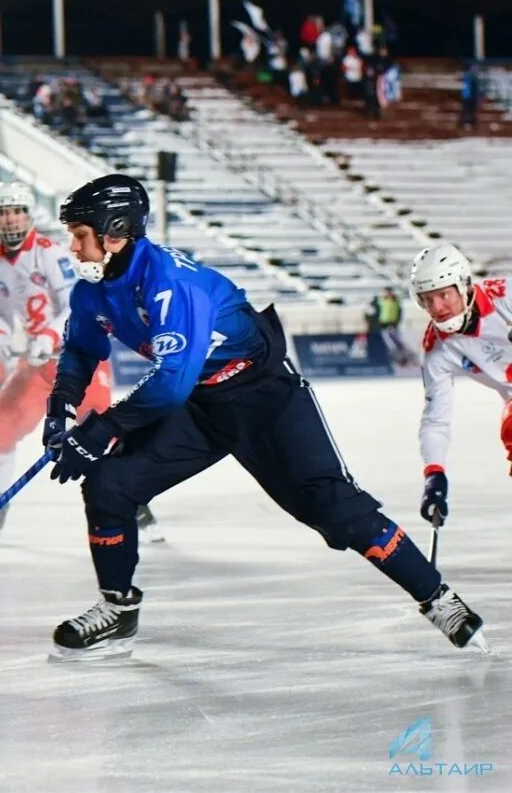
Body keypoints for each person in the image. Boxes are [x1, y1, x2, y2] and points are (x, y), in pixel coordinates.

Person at [40, 174, 487, 655]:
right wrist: (61, 405)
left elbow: (170, 382)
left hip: (265, 399)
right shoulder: (94, 290)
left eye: (81, 235)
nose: (73, 246)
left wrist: (103, 427)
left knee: (337, 511)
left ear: (115, 232)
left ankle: (438, 598)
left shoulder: (171, 283)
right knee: (110, 484)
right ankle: (118, 607)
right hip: (203, 405)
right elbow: (82, 350)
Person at [0, 182, 115, 543]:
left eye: (16, 210)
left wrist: (49, 335)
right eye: (3, 212)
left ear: (29, 213)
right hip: (37, 365)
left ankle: (130, 505)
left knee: (101, 435)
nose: (10, 218)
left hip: (79, 357)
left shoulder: (50, 253)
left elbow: (74, 304)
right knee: (1, 429)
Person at [409, 246, 512, 530]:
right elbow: (436, 420)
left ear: (464, 286)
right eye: (428, 299)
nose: (437, 308)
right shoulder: (436, 350)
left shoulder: (504, 294)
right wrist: (434, 475)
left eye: (444, 294)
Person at [376, 286, 413, 366]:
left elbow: (399, 312)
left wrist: (397, 322)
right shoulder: (382, 301)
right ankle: (397, 360)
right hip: (384, 324)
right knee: (390, 344)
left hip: (393, 324)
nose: (386, 294)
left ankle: (404, 358)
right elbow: (379, 312)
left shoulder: (396, 301)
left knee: (398, 343)